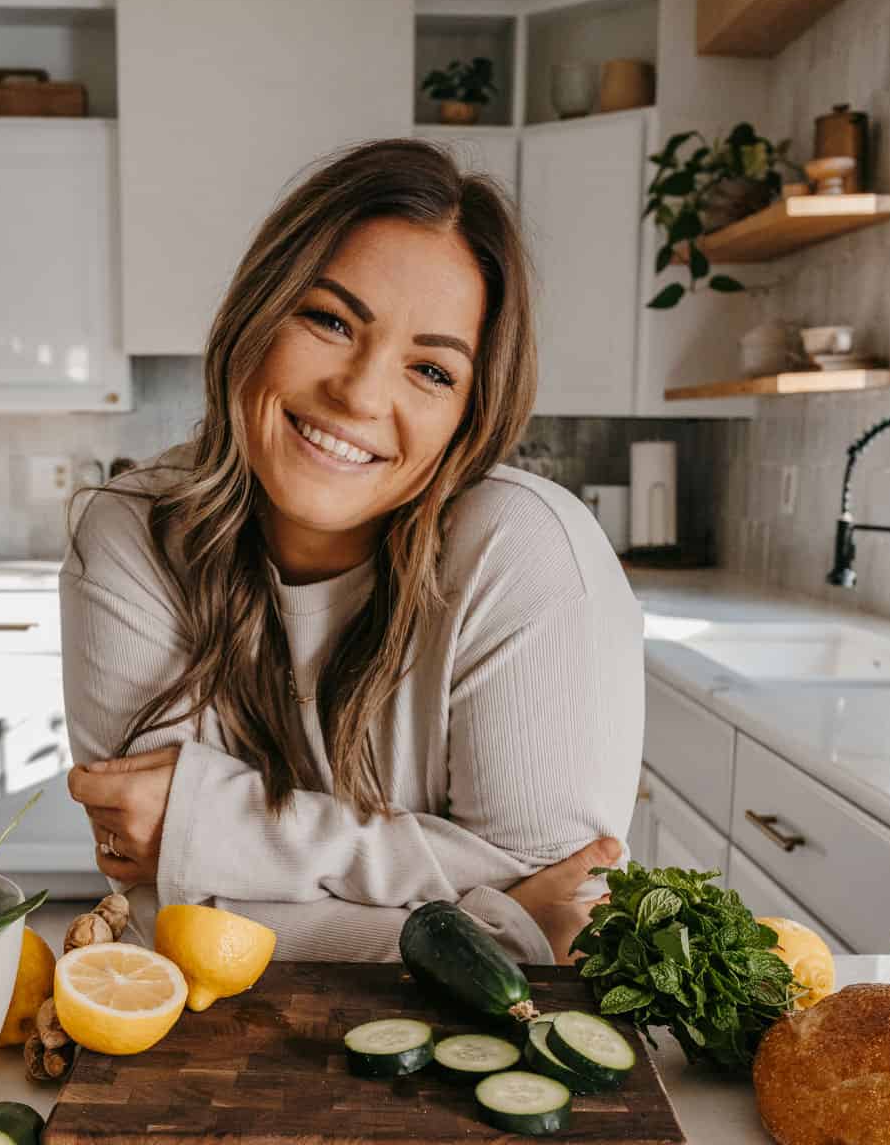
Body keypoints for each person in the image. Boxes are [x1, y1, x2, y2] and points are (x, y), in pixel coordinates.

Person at [61, 138, 644, 964]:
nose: (362, 393)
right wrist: (493, 926)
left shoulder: (526, 551)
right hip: (220, 1058)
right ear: (256, 318)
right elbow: (167, 910)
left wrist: (209, 828)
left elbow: (563, 899)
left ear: (470, 417)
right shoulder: (133, 530)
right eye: (331, 321)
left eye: (432, 371)